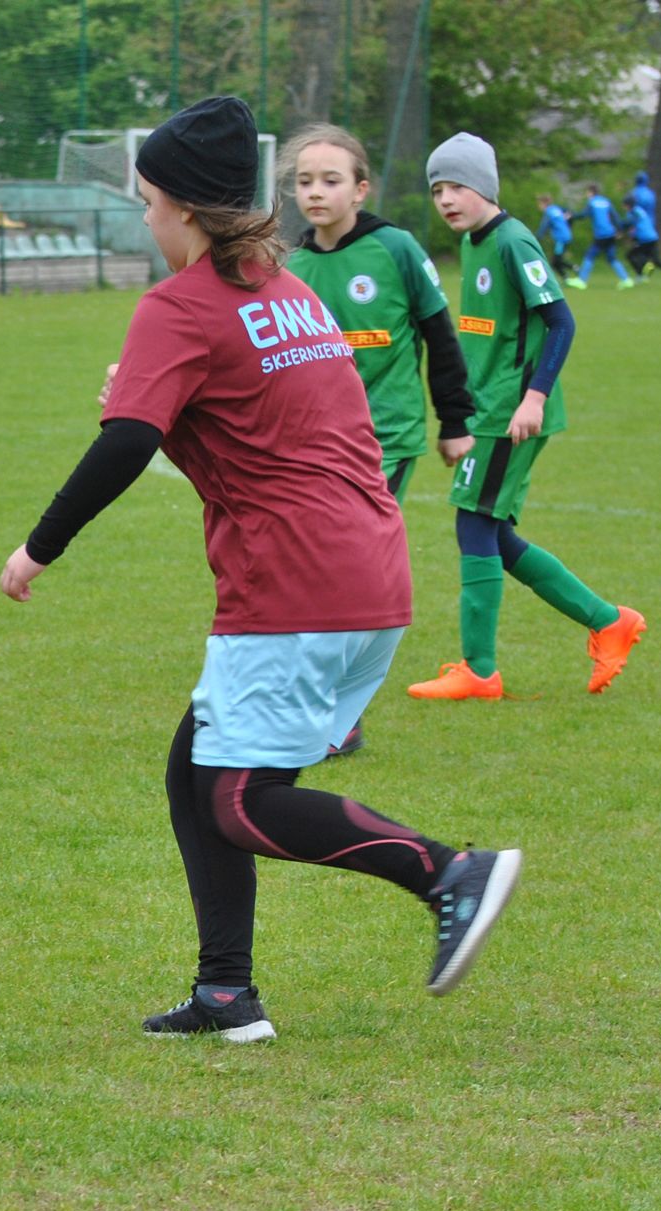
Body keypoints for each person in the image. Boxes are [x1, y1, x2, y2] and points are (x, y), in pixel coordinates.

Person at [0, 97, 520, 1043]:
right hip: (368, 568)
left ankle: (449, 873)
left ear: (188, 212)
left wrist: (39, 546)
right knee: (192, 767)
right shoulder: (288, 289)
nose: (147, 217)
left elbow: (125, 444)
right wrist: (156, 410)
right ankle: (226, 993)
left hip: (294, 582)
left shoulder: (179, 304)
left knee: (238, 799)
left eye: (151, 201)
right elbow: (255, 427)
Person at [409, 134, 645, 701]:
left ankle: (480, 671)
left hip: (511, 414)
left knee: (474, 525)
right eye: (438, 189)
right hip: (487, 409)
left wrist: (533, 398)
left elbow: (562, 322)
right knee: (494, 533)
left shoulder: (514, 242)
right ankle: (609, 620)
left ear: (484, 187)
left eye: (457, 186)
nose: (446, 199)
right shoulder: (473, 243)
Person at [282, 122, 475, 756]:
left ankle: (338, 716)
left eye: (331, 180)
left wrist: (455, 421)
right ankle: (322, 703)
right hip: (311, 442)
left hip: (383, 439)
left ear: (360, 189)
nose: (316, 192)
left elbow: (440, 337)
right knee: (316, 567)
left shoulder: (395, 249)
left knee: (340, 568)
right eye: (305, 181)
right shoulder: (291, 263)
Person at [570, 182, 632, 290]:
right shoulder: (606, 201)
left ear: (591, 192)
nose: (587, 195)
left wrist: (572, 216)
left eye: (587, 192)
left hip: (601, 234)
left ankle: (582, 281)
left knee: (589, 255)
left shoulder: (592, 202)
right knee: (611, 257)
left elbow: (584, 215)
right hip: (611, 233)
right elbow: (615, 217)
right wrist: (619, 230)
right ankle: (626, 280)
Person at [624, 196, 661, 284]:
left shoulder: (634, 212)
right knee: (653, 260)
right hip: (650, 238)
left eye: (625, 205)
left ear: (629, 205)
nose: (624, 207)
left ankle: (642, 274)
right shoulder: (639, 210)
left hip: (646, 239)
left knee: (631, 255)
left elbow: (630, 224)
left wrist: (619, 227)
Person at [534, 193, 574, 279]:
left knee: (555, 261)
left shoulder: (549, 212)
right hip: (566, 236)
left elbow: (543, 228)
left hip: (561, 238)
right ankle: (567, 276)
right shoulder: (556, 209)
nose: (539, 206)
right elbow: (570, 212)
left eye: (540, 204)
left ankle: (573, 269)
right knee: (556, 260)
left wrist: (535, 239)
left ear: (544, 204)